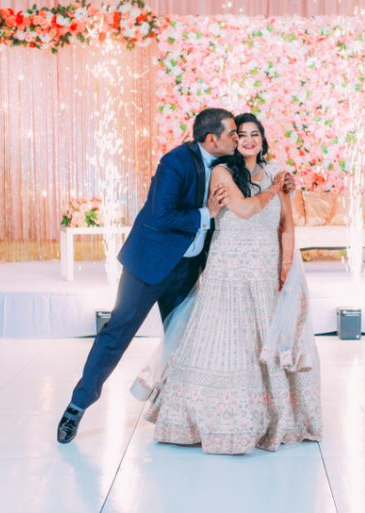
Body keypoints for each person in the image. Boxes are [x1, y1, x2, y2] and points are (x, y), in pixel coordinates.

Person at [132, 113, 322, 454]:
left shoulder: (277, 171)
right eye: (241, 134)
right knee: (225, 339)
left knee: (264, 337)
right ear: (233, 140)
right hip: (229, 267)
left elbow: (287, 223)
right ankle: (211, 420)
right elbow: (245, 210)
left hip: (265, 266)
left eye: (254, 134)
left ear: (263, 139)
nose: (247, 140)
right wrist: (275, 188)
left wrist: (286, 264)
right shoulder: (222, 171)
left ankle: (275, 418)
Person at [56, 108, 237, 444]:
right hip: (149, 265)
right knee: (117, 334)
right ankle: (77, 406)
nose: (237, 139)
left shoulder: (230, 164)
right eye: (232, 134)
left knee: (183, 342)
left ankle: (180, 417)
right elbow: (162, 213)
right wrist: (205, 213)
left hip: (188, 268)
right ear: (211, 139)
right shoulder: (175, 162)